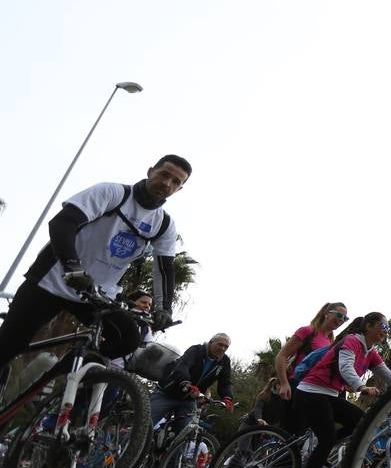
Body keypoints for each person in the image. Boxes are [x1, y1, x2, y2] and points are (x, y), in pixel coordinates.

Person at [0, 155, 189, 381]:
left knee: (128, 339)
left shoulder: (164, 224)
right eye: (164, 174)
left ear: (179, 189)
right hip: (52, 281)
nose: (167, 183)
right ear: (150, 171)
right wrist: (73, 267)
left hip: (95, 294)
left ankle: (53, 383)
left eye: (176, 182)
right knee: (10, 344)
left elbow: (165, 269)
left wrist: (164, 308)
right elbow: (62, 223)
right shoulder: (112, 193)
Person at [288, 311, 391, 468]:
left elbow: (388, 375)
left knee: (361, 422)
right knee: (327, 437)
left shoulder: (370, 351)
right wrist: (361, 387)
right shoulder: (352, 341)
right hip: (310, 391)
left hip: (329, 394)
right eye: (383, 327)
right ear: (369, 326)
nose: (386, 332)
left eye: (388, 329)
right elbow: (345, 367)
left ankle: (321, 453)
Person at [269, 302, 348, 424]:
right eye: (339, 315)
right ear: (326, 313)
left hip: (317, 391)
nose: (341, 320)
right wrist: (284, 383)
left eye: (345, 318)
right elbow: (281, 356)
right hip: (297, 386)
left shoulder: (331, 342)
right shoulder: (307, 332)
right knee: (292, 430)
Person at [150, 333, 234, 441]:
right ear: (211, 343)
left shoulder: (224, 361)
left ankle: (172, 456)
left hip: (188, 400)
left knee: (185, 434)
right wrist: (188, 384)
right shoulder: (196, 350)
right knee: (145, 424)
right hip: (167, 393)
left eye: (226, 347)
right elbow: (183, 367)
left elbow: (225, 381)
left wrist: (227, 397)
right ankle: (125, 449)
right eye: (220, 344)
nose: (222, 348)